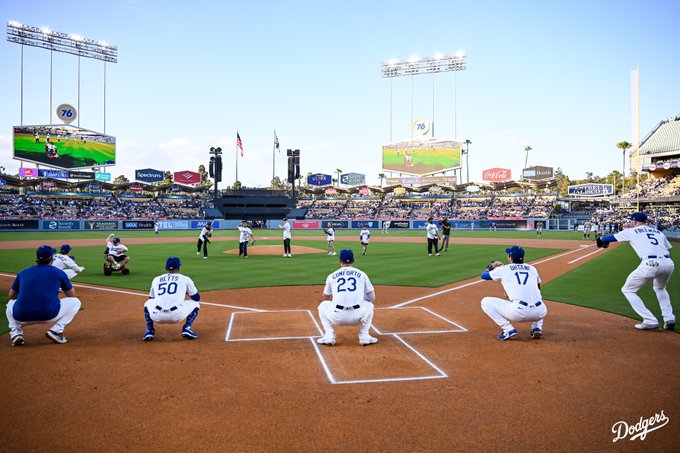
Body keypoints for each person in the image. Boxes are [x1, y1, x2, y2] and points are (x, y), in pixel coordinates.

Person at [598, 212, 675, 330]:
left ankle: (650, 320)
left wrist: (601, 239)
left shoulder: (631, 231)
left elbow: (609, 238)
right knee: (660, 288)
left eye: (631, 220)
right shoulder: (658, 232)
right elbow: (666, 247)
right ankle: (669, 318)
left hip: (650, 263)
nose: (630, 222)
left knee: (628, 290)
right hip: (668, 263)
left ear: (634, 221)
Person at [6, 245, 82, 346]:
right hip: (49, 315)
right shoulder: (59, 272)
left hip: (21, 316)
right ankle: (56, 330)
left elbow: (11, 295)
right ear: (51, 259)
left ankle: (16, 334)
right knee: (75, 302)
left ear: (37, 259)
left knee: (10, 303)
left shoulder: (23, 272)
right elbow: (71, 295)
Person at [480, 245, 548, 341]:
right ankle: (537, 328)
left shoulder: (504, 269)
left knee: (485, 302)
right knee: (537, 298)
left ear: (510, 257)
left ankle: (508, 329)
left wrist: (492, 268)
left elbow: (483, 276)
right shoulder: (532, 268)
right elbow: (538, 288)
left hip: (519, 313)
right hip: (540, 312)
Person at [317, 249, 378, 346]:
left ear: (339, 261)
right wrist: (361, 298)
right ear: (353, 260)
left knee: (323, 305)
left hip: (337, 318)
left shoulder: (332, 276)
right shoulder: (362, 274)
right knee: (369, 305)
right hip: (358, 317)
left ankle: (329, 336)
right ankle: (364, 336)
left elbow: (326, 298)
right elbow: (372, 297)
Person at [142, 257, 201, 341]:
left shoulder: (156, 279)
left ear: (165, 268)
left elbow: (151, 297)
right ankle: (187, 328)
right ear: (179, 268)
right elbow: (196, 298)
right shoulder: (185, 278)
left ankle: (149, 330)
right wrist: (185, 292)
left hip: (157, 316)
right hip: (176, 315)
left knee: (148, 302)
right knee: (196, 304)